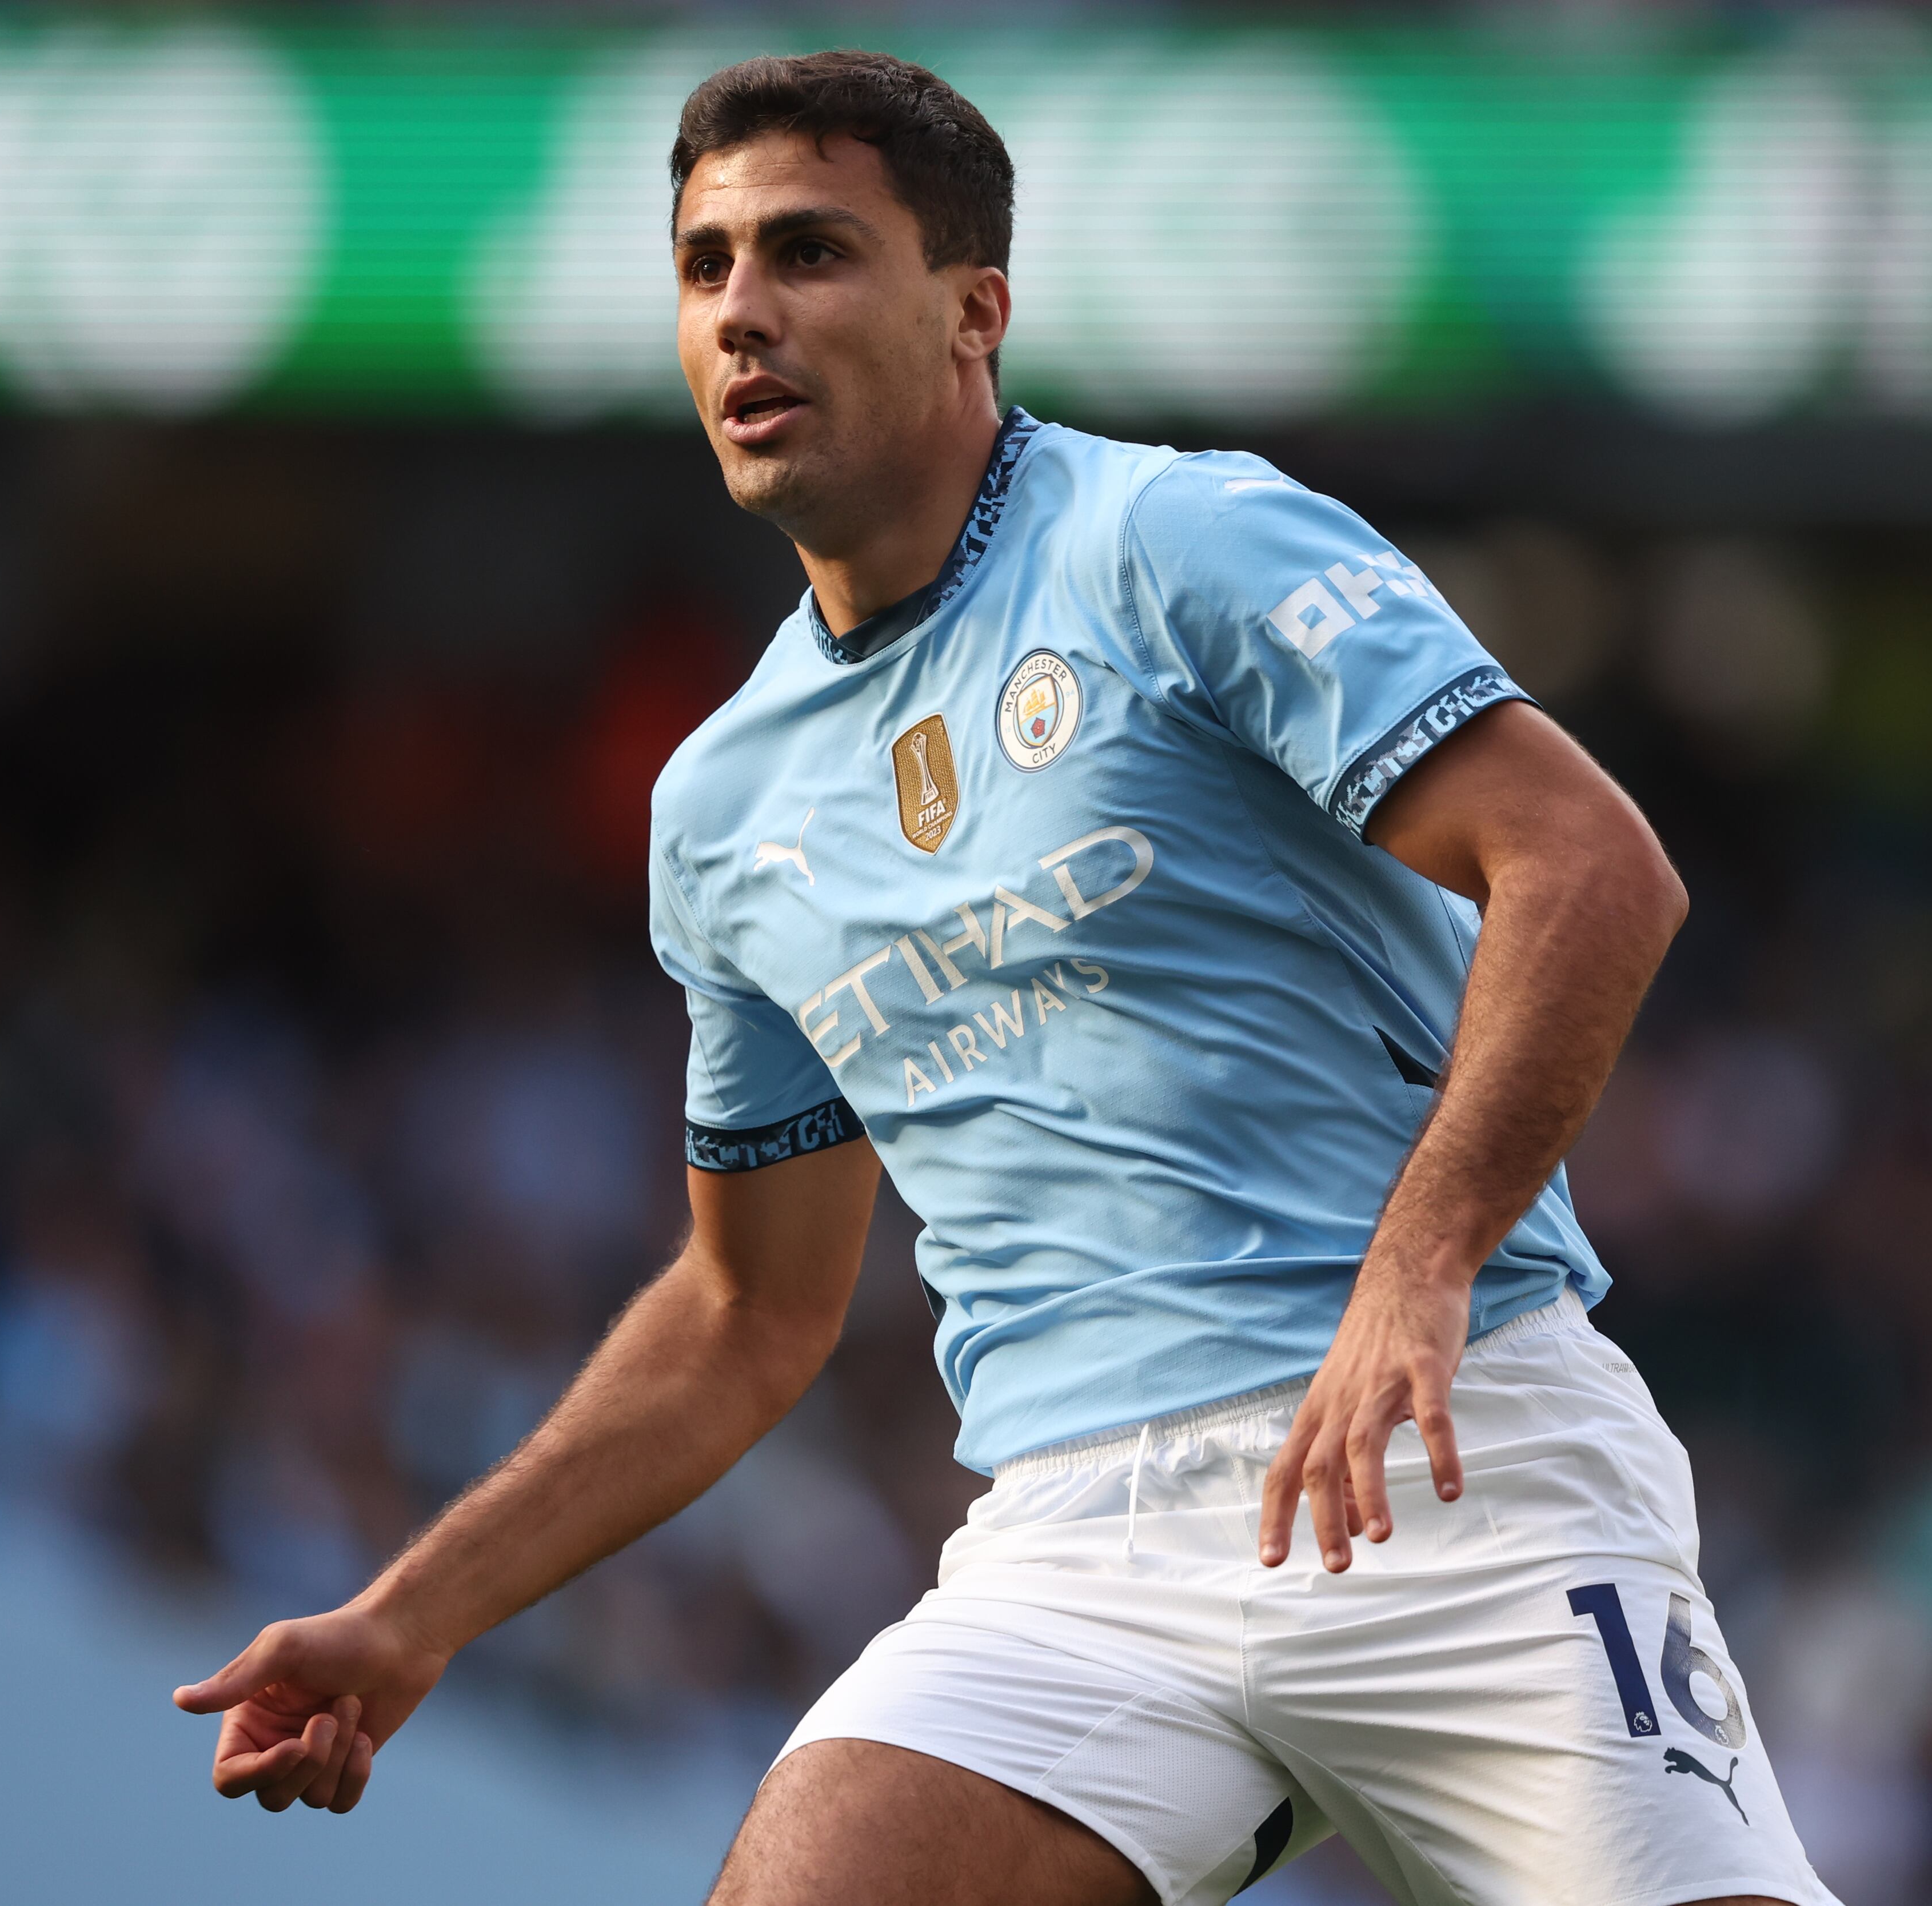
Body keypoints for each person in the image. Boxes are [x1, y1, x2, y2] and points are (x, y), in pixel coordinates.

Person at [174, 49, 1839, 1906]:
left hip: (1449, 1450)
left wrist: (1422, 1259)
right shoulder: (721, 802)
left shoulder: (1173, 541)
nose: (743, 314)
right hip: (1079, 1543)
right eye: (705, 265)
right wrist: (414, 1619)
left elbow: (1593, 866)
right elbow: (748, 1317)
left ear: (975, 310)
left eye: (808, 253)